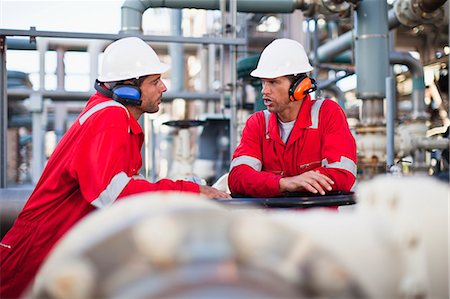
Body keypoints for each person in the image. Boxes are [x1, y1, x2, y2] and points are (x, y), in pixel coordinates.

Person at [0, 37, 229, 298]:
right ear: (128, 90)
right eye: (154, 82)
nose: (163, 87)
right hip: (34, 257)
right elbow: (112, 195)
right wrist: (189, 191)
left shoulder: (110, 116)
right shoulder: (110, 117)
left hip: (49, 253)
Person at [228, 38, 357, 198]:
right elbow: (237, 178)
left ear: (299, 87)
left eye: (273, 82)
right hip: (273, 222)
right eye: (263, 83)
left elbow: (342, 175)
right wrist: (284, 183)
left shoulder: (328, 113)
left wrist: (269, 183)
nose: (264, 91)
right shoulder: (257, 123)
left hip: (319, 221)